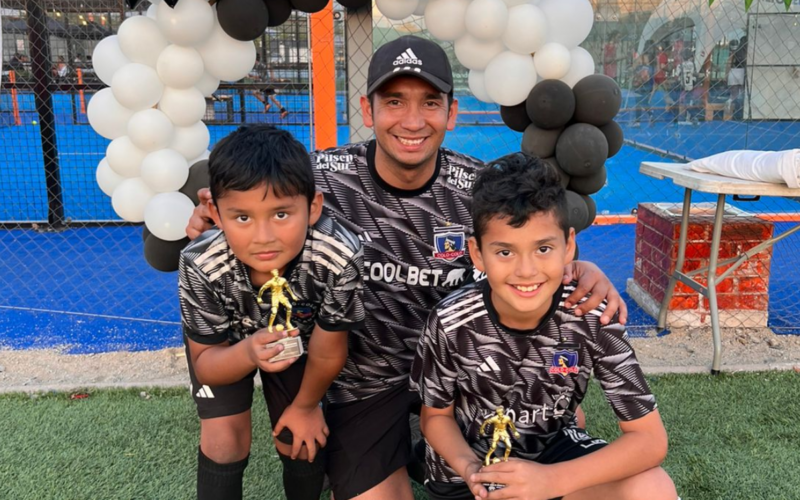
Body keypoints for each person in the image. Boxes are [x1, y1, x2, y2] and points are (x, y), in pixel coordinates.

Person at [187, 36, 626, 500]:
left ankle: (432, 448)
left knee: (561, 415)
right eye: (394, 101)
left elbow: (537, 244)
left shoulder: (480, 190)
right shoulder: (318, 178)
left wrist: (583, 268)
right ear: (367, 108)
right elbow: (252, 199)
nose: (413, 121)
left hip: (458, 367)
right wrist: (209, 218)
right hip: (361, 381)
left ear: (452, 112)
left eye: (430, 103)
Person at [411, 152, 677, 500]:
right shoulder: (451, 322)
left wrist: (551, 481)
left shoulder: (592, 314)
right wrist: (469, 468)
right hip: (471, 477)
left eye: (543, 248)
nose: (526, 270)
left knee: (652, 488)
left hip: (552, 460)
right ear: (477, 254)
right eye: (505, 252)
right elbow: (436, 419)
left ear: (569, 246)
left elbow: (650, 440)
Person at [179, 124, 364, 500]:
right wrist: (248, 352)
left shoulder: (339, 255)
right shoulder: (200, 263)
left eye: (281, 214)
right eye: (242, 217)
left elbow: (329, 348)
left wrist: (307, 405)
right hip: (227, 346)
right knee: (224, 438)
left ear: (313, 207)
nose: (263, 236)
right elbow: (207, 364)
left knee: (299, 437)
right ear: (214, 211)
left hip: (299, 342)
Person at [252, 54, 289, 119]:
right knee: (272, 98)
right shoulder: (258, 66)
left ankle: (267, 104)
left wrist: (272, 77)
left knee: (255, 93)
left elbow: (268, 70)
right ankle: (283, 110)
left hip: (267, 83)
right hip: (267, 83)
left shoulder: (260, 65)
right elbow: (264, 74)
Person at [727, 36, 747, 120]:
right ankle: (742, 110)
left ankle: (729, 105)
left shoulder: (733, 53)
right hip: (741, 71)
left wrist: (727, 74)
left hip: (733, 71)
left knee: (733, 94)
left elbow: (729, 63)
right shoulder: (744, 51)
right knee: (743, 91)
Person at [678, 48, 699, 125]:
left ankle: (686, 117)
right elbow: (695, 74)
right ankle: (691, 117)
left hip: (683, 86)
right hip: (691, 86)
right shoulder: (692, 65)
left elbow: (677, 75)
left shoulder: (680, 65)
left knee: (683, 102)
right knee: (689, 102)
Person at [632, 52, 653, 126]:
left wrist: (640, 79)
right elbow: (635, 73)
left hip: (645, 88)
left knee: (644, 103)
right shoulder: (639, 67)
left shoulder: (650, 68)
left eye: (646, 57)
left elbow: (647, 78)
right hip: (638, 88)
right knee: (638, 104)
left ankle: (651, 115)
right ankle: (638, 121)